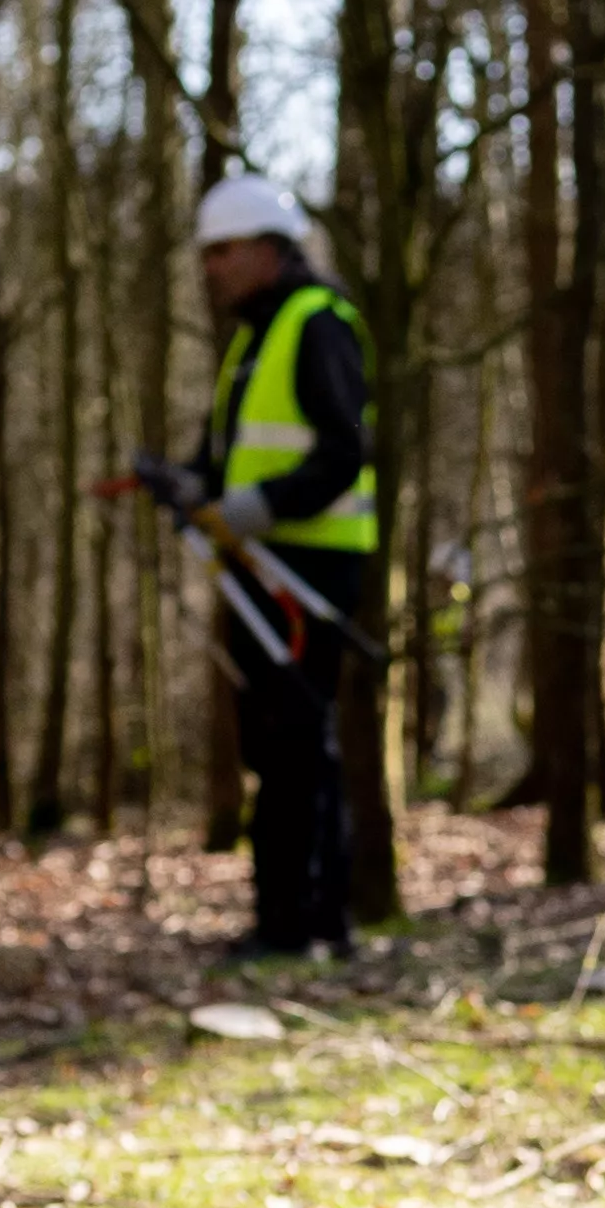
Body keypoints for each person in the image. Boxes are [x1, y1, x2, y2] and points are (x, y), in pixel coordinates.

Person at [177, 174, 379, 957]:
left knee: (300, 745)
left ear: (268, 246)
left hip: (308, 573)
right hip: (260, 568)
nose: (212, 267)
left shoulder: (316, 323)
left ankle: (311, 924)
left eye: (223, 250)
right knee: (274, 745)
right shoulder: (255, 337)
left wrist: (250, 509)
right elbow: (228, 456)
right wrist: (194, 488)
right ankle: (285, 919)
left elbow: (341, 453)